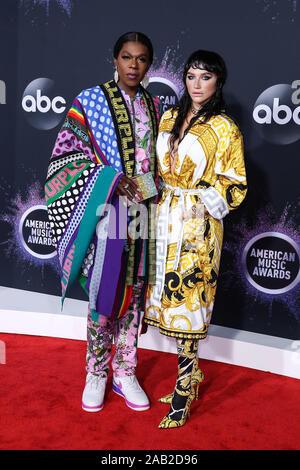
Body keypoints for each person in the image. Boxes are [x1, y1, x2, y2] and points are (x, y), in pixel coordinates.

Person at [45, 32, 161, 413]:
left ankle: (126, 371)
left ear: (149, 64)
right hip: (106, 214)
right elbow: (65, 159)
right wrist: (110, 179)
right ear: (114, 59)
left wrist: (142, 186)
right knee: (104, 293)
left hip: (142, 213)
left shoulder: (157, 108)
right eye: (126, 57)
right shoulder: (89, 101)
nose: (133, 65)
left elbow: (164, 169)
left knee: (135, 293)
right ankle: (96, 372)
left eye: (142, 59)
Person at [144, 50, 247, 428]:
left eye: (205, 77)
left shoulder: (225, 128)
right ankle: (191, 377)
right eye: (191, 76)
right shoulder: (169, 116)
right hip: (161, 218)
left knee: (188, 305)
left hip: (198, 228)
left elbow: (235, 185)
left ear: (218, 81)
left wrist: (202, 203)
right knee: (167, 306)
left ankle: (184, 390)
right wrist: (128, 191)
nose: (197, 84)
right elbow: (155, 171)